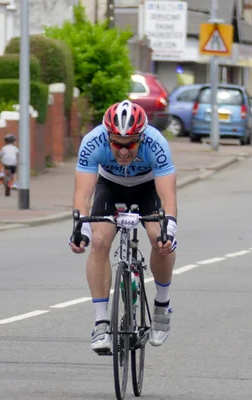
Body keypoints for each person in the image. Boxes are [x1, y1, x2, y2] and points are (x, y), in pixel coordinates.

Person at [69, 100, 178, 353]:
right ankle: (101, 322)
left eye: (130, 144)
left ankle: (162, 305)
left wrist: (168, 228)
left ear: (141, 137)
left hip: (148, 186)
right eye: (116, 143)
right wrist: (80, 229)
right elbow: (83, 195)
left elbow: (167, 197)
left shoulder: (156, 143)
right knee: (98, 240)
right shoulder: (92, 141)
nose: (124, 151)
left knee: (157, 237)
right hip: (111, 185)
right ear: (108, 136)